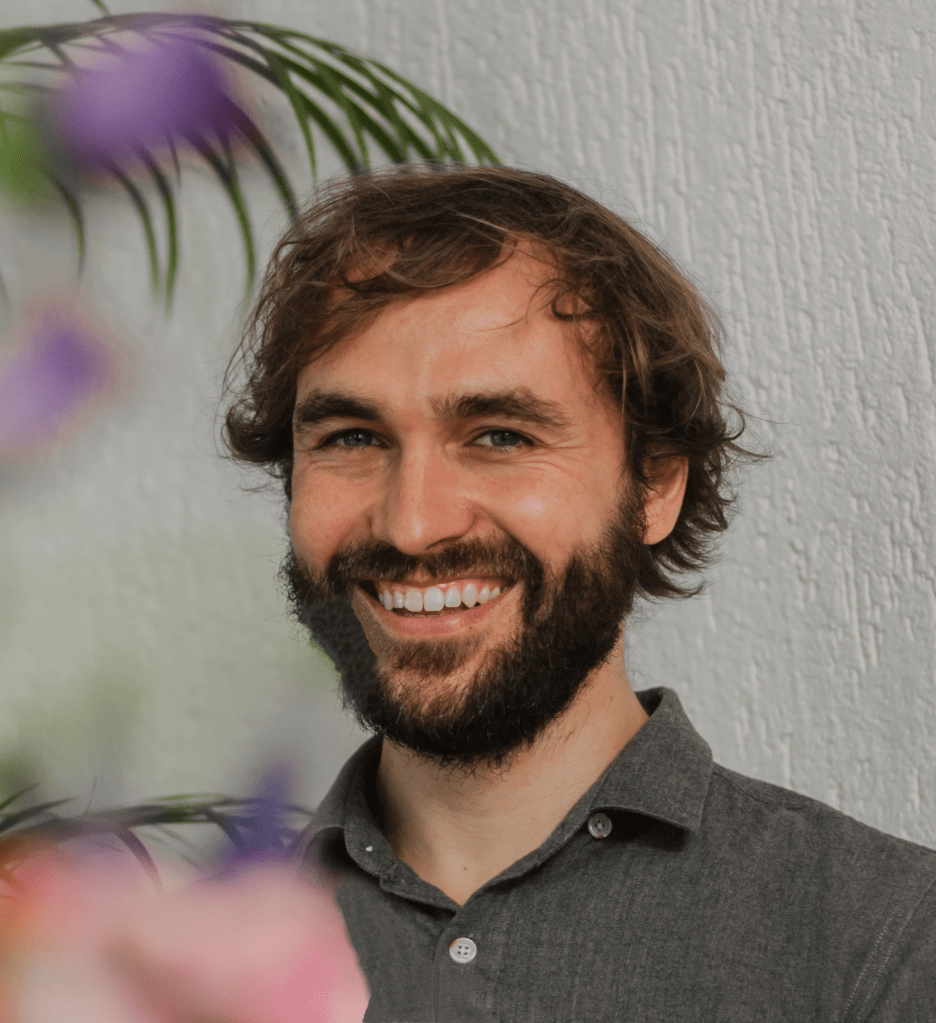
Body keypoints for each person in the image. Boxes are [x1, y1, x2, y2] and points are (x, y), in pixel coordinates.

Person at [222, 164, 936, 1022]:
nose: (412, 524)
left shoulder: (883, 943)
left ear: (655, 484)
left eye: (499, 435)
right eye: (351, 437)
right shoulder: (177, 964)